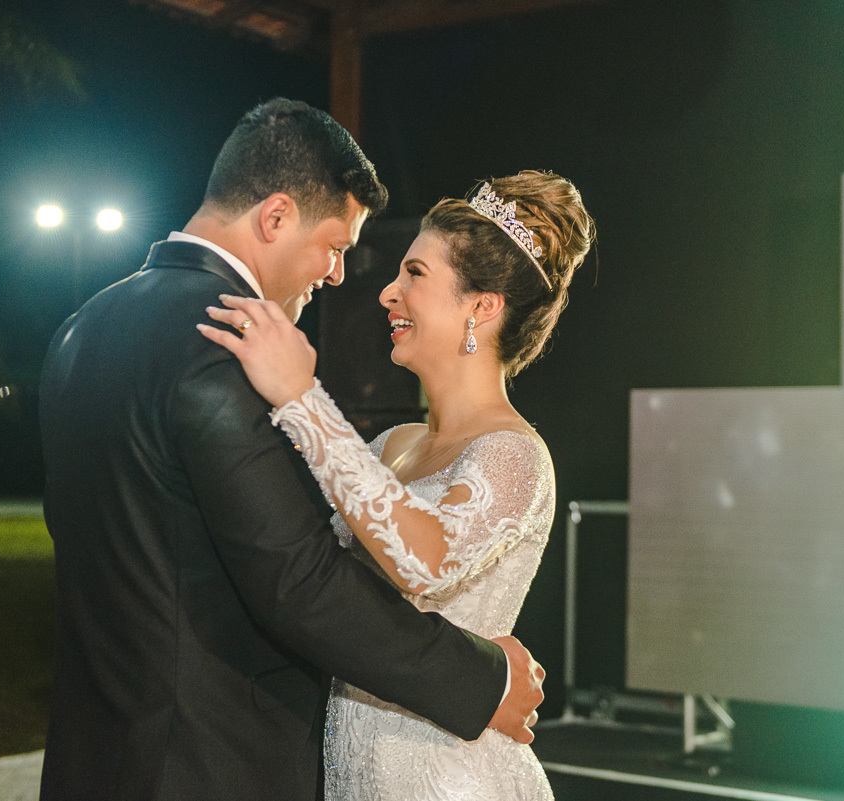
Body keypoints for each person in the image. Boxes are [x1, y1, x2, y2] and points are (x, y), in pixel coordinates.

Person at [38, 99, 544, 801]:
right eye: (336, 246)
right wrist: (482, 679)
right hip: (206, 763)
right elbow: (299, 580)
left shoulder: (82, 328)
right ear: (275, 217)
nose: (341, 276)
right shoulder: (221, 346)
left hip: (95, 753)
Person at [197, 170, 594, 800]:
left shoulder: (515, 456)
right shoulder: (392, 446)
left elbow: (424, 562)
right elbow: (308, 579)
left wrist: (302, 397)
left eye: (414, 274)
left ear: (481, 307)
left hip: (448, 780)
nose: (387, 292)